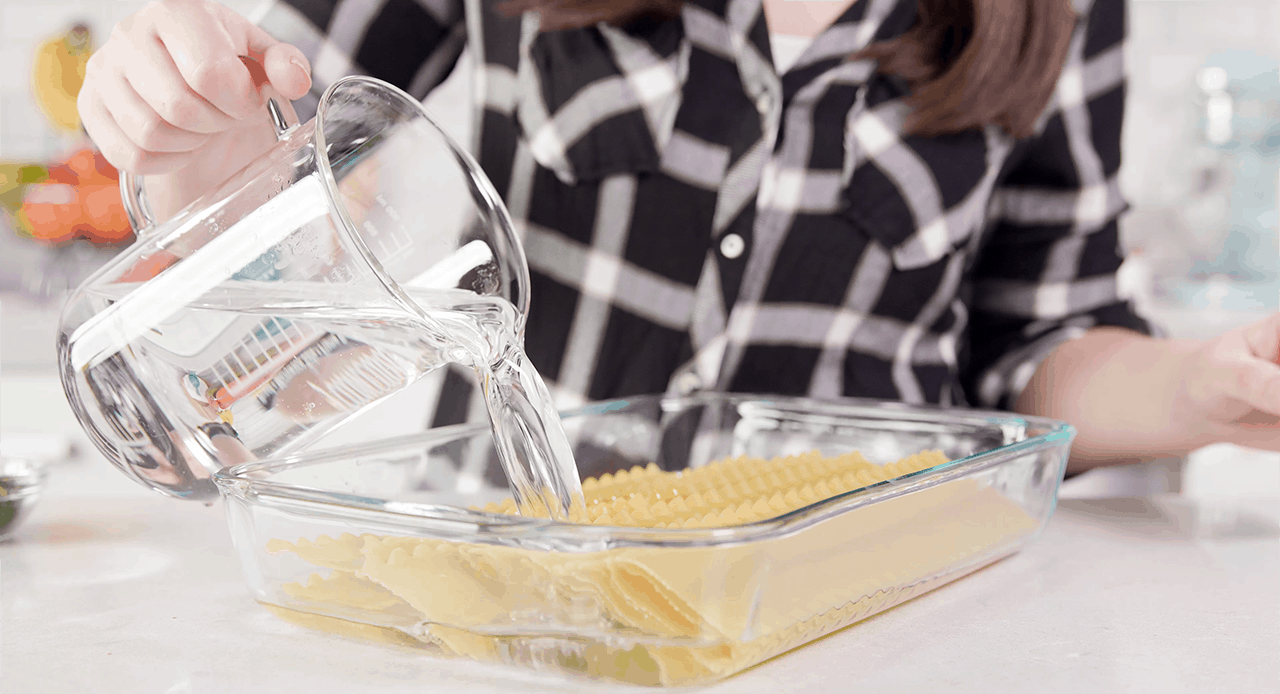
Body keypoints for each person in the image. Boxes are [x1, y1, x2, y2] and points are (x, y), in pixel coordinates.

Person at [77, 0, 1279, 474]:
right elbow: (267, 141)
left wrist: (1196, 391)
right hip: (512, 583)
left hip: (869, 615)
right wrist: (182, 126)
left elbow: (1040, 342)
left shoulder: (1053, 14)